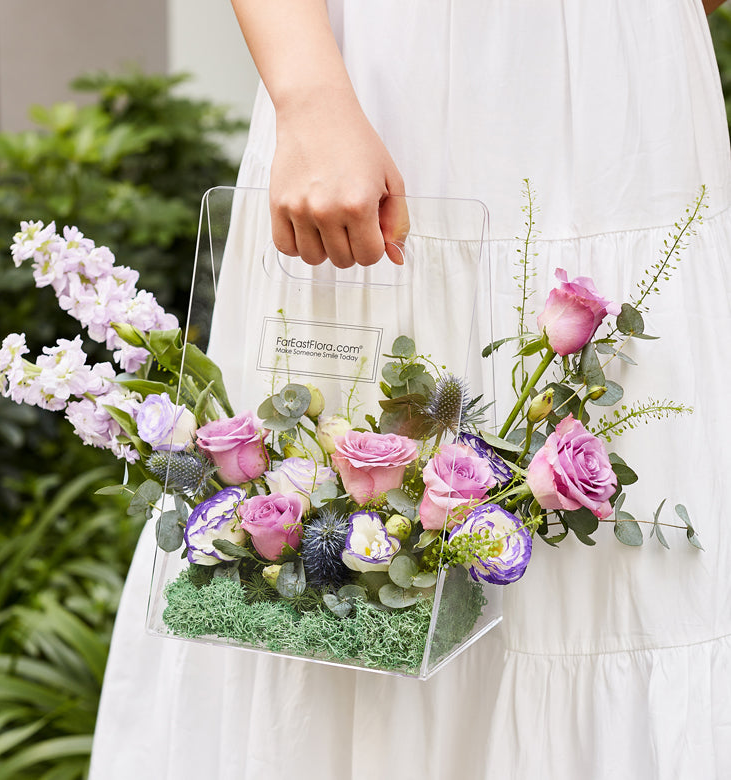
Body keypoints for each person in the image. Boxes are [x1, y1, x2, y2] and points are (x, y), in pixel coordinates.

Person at [90, 2, 731, 778]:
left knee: (628, 585)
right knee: (340, 557)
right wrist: (311, 96)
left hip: (621, 106)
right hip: (390, 86)